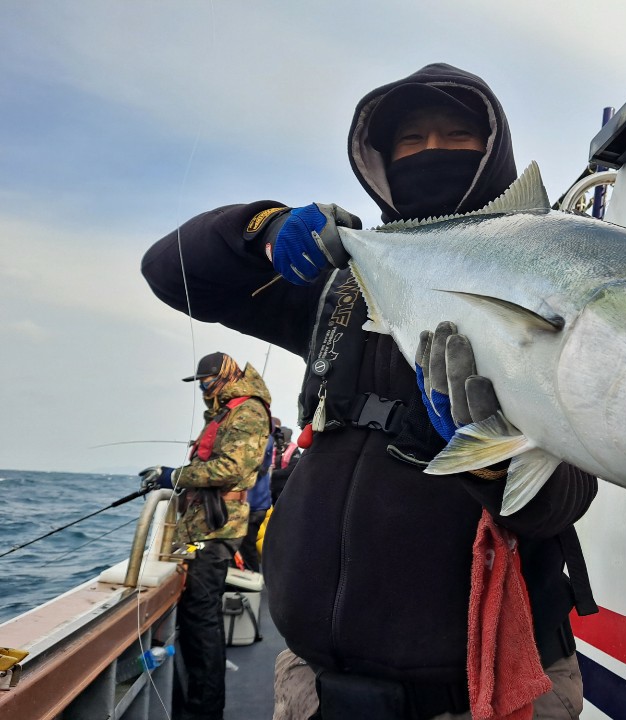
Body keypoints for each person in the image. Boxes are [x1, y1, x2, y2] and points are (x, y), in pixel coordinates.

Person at [142, 63, 598, 719]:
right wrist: (264, 230)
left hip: (486, 692)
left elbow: (565, 499)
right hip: (314, 686)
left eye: (456, 135)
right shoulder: (343, 284)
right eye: (411, 140)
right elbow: (171, 271)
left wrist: (492, 455)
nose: (432, 151)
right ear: (380, 162)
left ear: (492, 152)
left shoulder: (548, 284)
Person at [146, 351, 272, 720]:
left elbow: (233, 468)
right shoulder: (225, 411)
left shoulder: (247, 411)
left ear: (226, 377)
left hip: (216, 532)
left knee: (202, 619)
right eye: (200, 384)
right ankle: (197, 703)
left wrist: (174, 476)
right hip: (201, 528)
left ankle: (205, 711)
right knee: (197, 616)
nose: (204, 389)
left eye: (208, 382)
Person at [237, 417, 277, 573]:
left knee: (246, 546)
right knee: (246, 546)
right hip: (257, 504)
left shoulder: (262, 440)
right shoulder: (267, 439)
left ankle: (251, 578)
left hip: (253, 505)